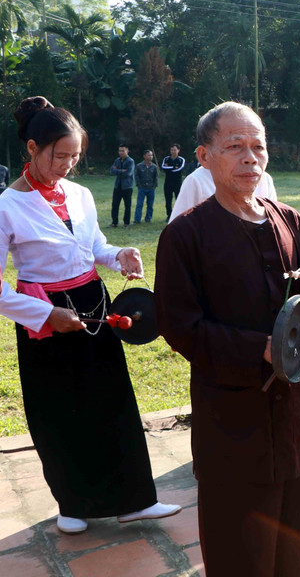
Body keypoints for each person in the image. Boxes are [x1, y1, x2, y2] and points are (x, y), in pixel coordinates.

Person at [155, 102, 300, 576]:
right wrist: (257, 349)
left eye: (258, 147)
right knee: (239, 555)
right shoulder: (186, 235)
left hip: (294, 418)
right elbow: (179, 326)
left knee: (293, 553)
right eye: (235, 147)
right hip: (233, 422)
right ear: (204, 157)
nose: (250, 159)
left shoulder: (290, 220)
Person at [0, 97, 180, 535]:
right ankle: (72, 503)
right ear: (31, 148)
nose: (66, 165)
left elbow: (93, 248)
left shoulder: (79, 195)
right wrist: (44, 315)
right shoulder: (7, 205)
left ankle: (135, 500)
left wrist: (121, 255)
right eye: (58, 155)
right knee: (59, 410)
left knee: (113, 402)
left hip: (95, 307)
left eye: (74, 156)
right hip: (46, 318)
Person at [169, 161, 277, 220]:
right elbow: (176, 238)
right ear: (204, 154)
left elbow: (274, 223)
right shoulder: (196, 180)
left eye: (257, 147)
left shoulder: (264, 179)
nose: (249, 157)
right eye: (235, 146)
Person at [109, 145, 134, 227]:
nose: (121, 153)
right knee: (115, 205)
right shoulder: (117, 160)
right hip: (117, 186)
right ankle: (114, 222)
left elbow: (128, 173)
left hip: (127, 187)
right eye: (120, 151)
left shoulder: (130, 161)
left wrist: (117, 171)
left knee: (127, 205)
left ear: (127, 151)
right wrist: (121, 170)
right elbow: (112, 171)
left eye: (123, 151)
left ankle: (126, 223)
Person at [160, 143, 186, 220]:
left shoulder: (181, 160)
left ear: (178, 150)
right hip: (168, 183)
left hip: (177, 183)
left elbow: (179, 169)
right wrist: (173, 167)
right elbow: (163, 167)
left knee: (178, 199)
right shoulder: (166, 159)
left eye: (175, 150)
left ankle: (179, 215)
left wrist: (170, 168)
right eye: (172, 150)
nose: (173, 151)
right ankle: (169, 215)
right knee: (168, 200)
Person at [134, 150, 159, 224]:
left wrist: (154, 186)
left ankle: (148, 218)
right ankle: (137, 219)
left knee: (150, 204)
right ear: (144, 156)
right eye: (148, 155)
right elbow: (136, 176)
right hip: (142, 188)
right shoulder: (139, 166)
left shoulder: (154, 167)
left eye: (151, 155)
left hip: (151, 188)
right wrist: (139, 185)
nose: (150, 157)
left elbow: (156, 177)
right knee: (139, 204)